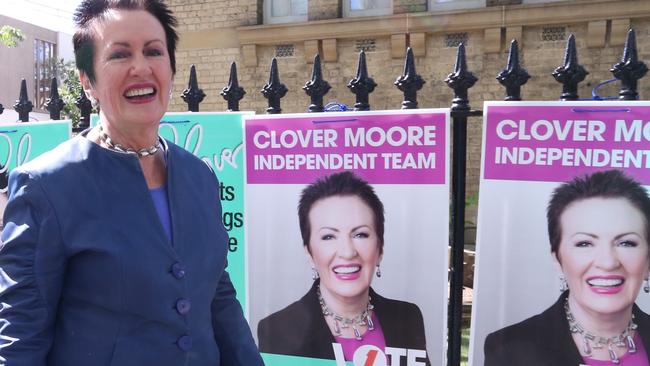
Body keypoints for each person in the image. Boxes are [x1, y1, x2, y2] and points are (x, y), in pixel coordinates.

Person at [0, 1, 263, 365]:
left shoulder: (198, 176)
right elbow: (20, 338)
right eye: (120, 55)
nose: (141, 67)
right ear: (87, 80)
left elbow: (217, 299)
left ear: (170, 68)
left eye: (154, 51)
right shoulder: (46, 187)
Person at [257, 171, 429, 365]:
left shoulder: (408, 317)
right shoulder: (279, 328)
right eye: (329, 237)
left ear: (380, 248)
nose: (347, 252)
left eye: (360, 234)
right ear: (309, 253)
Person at [485, 169, 650, 366]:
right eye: (584, 243)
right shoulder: (508, 349)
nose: (608, 262)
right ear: (557, 259)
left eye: (626, 243)